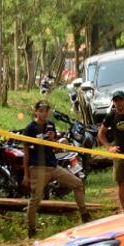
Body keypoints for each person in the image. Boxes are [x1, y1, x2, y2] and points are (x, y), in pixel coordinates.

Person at [23, 100, 90, 236]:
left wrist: (53, 139)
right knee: (35, 198)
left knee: (77, 184)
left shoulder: (50, 125)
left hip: (53, 165)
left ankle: (84, 214)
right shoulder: (30, 128)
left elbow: (55, 147)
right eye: (40, 110)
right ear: (36, 112)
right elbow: (26, 152)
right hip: (38, 168)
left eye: (46, 111)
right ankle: (31, 229)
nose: (43, 113)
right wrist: (26, 173)